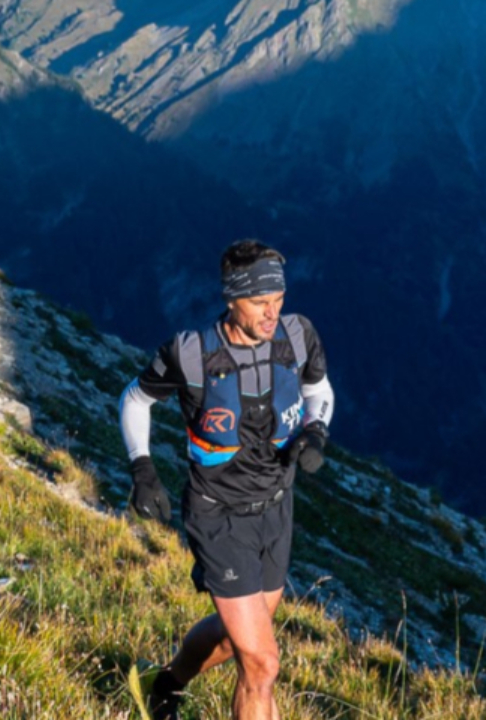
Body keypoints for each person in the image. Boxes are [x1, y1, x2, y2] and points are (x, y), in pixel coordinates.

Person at [119, 240, 335, 720]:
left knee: (235, 634)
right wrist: (143, 469)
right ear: (231, 298)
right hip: (219, 515)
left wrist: (316, 432)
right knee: (262, 662)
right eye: (260, 303)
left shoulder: (298, 337)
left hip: (277, 508)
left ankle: (166, 685)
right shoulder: (191, 354)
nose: (272, 313)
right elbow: (135, 400)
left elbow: (319, 390)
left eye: (278, 300)